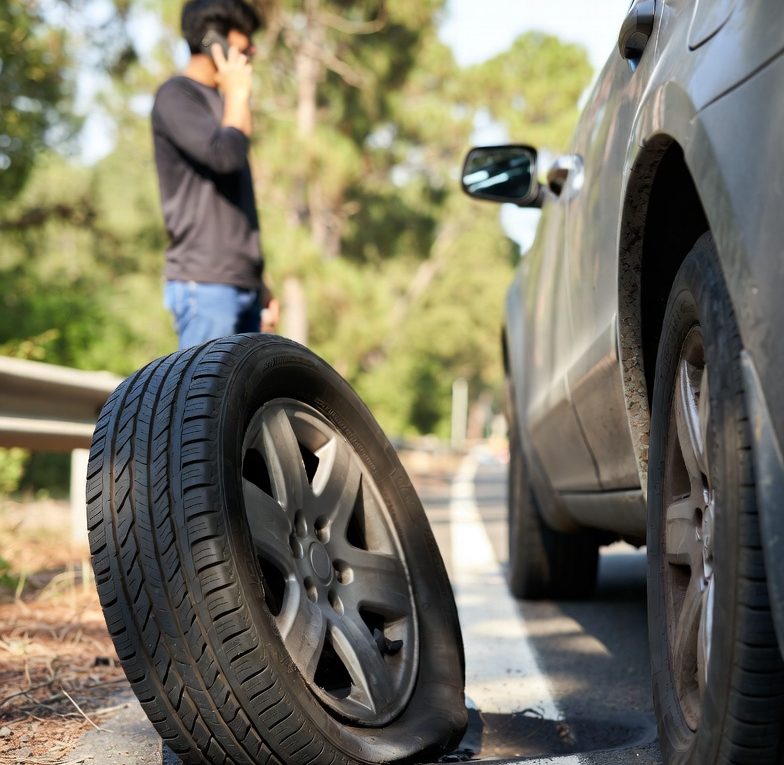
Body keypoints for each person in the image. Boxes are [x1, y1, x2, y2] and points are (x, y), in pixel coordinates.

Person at [152, 0, 277, 349]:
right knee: (203, 402)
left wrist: (259, 283)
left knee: (241, 403)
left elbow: (235, 206)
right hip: (205, 286)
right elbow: (225, 156)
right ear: (213, 39)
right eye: (245, 38)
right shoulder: (176, 95)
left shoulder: (224, 106)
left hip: (243, 284)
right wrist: (237, 92)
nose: (252, 48)